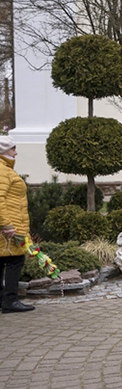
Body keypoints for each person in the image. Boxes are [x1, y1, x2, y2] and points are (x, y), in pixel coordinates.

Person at [0, 134, 35, 314]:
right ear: (4, 151)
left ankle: (3, 300)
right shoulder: (2, 170)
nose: (16, 152)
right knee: (15, 260)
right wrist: (6, 225)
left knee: (2, 260)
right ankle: (10, 301)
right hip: (8, 229)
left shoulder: (5, 169)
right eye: (13, 149)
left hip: (9, 226)